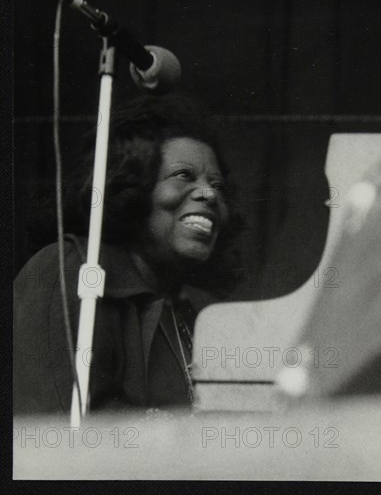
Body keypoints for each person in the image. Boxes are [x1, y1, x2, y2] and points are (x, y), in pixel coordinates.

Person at [14, 93, 243, 415]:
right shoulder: (67, 269)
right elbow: (65, 425)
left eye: (217, 185)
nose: (209, 193)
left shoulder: (193, 308)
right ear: (132, 189)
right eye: (184, 176)